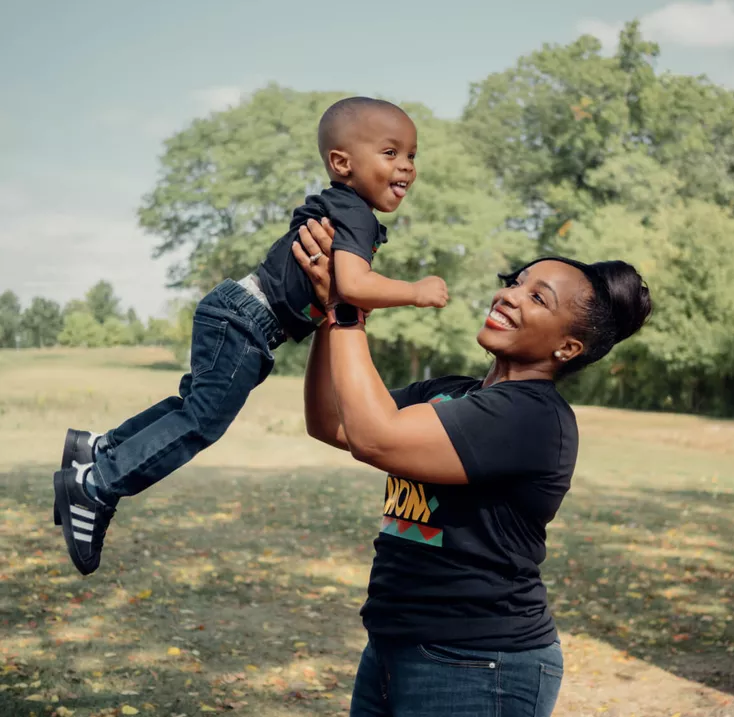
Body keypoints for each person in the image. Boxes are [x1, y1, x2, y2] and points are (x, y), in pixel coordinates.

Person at [53, 96, 449, 576]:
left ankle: (98, 448)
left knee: (191, 407)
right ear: (342, 163)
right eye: (391, 153)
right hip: (247, 320)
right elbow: (351, 285)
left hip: (238, 312)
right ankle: (96, 485)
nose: (406, 165)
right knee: (202, 421)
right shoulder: (357, 214)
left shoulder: (343, 206)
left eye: (412, 154)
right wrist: (415, 291)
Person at [292, 217, 651, 717]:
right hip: (393, 646)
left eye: (538, 297)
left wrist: (348, 308)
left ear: (567, 348)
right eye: (515, 282)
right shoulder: (450, 392)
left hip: (480, 663)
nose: (510, 296)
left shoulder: (533, 416)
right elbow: (330, 421)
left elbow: (375, 439)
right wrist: (327, 313)